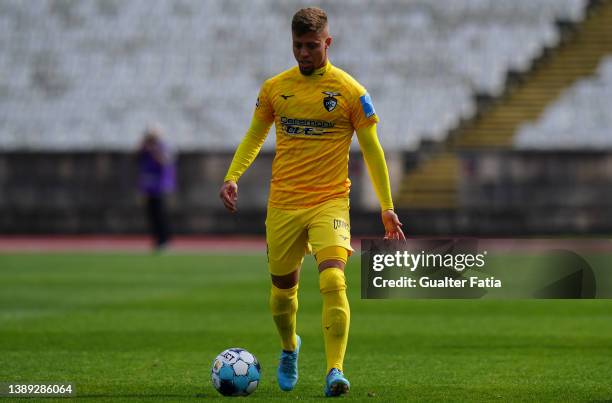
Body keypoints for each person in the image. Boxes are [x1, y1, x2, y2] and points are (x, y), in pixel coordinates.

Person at [219, 7, 405, 397]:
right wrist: (232, 176)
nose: (304, 53)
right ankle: (290, 349)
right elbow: (255, 135)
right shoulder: (274, 88)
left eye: (312, 46)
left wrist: (386, 205)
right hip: (284, 203)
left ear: (328, 43)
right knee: (282, 294)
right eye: (298, 46)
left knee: (334, 279)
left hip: (330, 202)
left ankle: (334, 371)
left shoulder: (351, 92)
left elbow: (373, 150)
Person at [138, 126, 176, 251]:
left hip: (159, 186)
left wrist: (154, 151)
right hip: (149, 187)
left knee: (160, 214)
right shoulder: (145, 148)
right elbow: (136, 157)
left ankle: (164, 240)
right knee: (152, 214)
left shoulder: (161, 147)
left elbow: (165, 162)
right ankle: (157, 240)